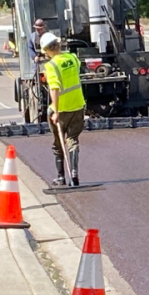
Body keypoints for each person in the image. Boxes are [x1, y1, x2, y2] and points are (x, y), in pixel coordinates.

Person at [40, 32, 86, 186]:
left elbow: (54, 88)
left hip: (62, 109)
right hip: (78, 105)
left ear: (47, 50)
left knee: (58, 143)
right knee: (73, 140)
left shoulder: (51, 66)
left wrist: (56, 111)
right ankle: (74, 173)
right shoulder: (73, 58)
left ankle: (61, 177)